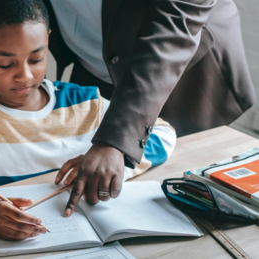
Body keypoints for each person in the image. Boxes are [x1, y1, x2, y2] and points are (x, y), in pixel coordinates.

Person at [0, 0, 177, 241]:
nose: (25, 75)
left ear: (48, 41)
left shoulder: (84, 103)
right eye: (5, 63)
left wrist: (112, 161)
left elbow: (164, 133)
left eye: (37, 58)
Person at [41, 0, 255, 213]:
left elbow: (173, 33)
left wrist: (114, 141)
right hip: (91, 67)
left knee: (195, 195)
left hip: (185, 76)